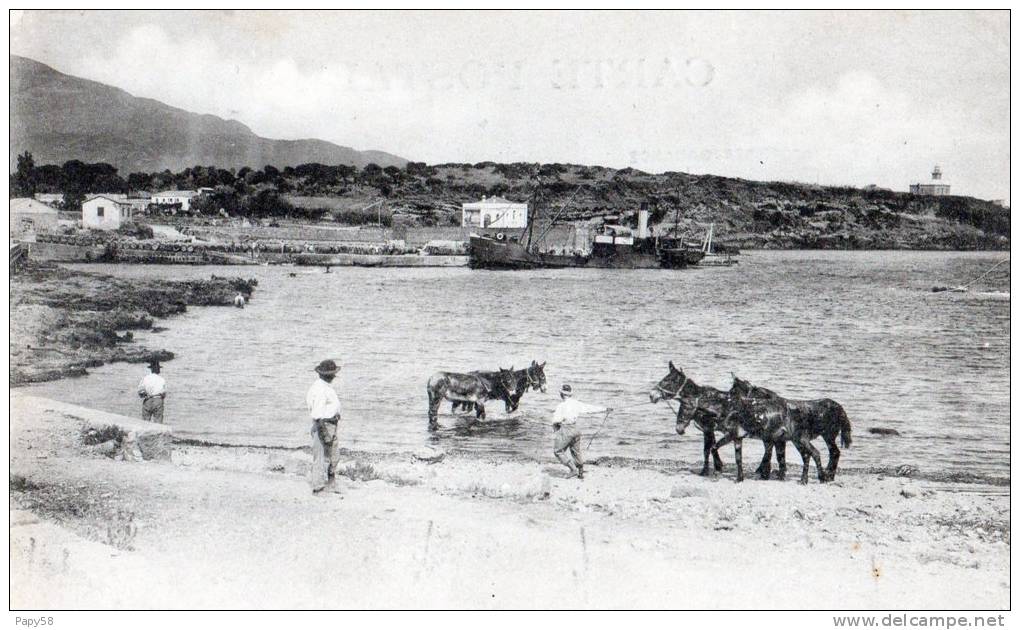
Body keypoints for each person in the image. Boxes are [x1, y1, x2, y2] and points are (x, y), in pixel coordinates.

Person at [551, 384, 610, 479]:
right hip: (576, 429)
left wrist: (555, 429)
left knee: (557, 451)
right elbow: (590, 408)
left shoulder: (561, 406)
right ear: (570, 394)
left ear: (561, 394)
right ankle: (580, 472)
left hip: (566, 429)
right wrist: (605, 409)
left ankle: (573, 469)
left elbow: (555, 421)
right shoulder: (577, 404)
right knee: (576, 451)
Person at [306, 359, 343, 494]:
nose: (334, 376)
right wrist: (324, 433)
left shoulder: (323, 386)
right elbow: (317, 415)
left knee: (333, 456)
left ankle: (330, 484)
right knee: (321, 457)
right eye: (333, 374)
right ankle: (318, 488)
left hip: (329, 424)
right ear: (328, 375)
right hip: (324, 424)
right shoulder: (321, 390)